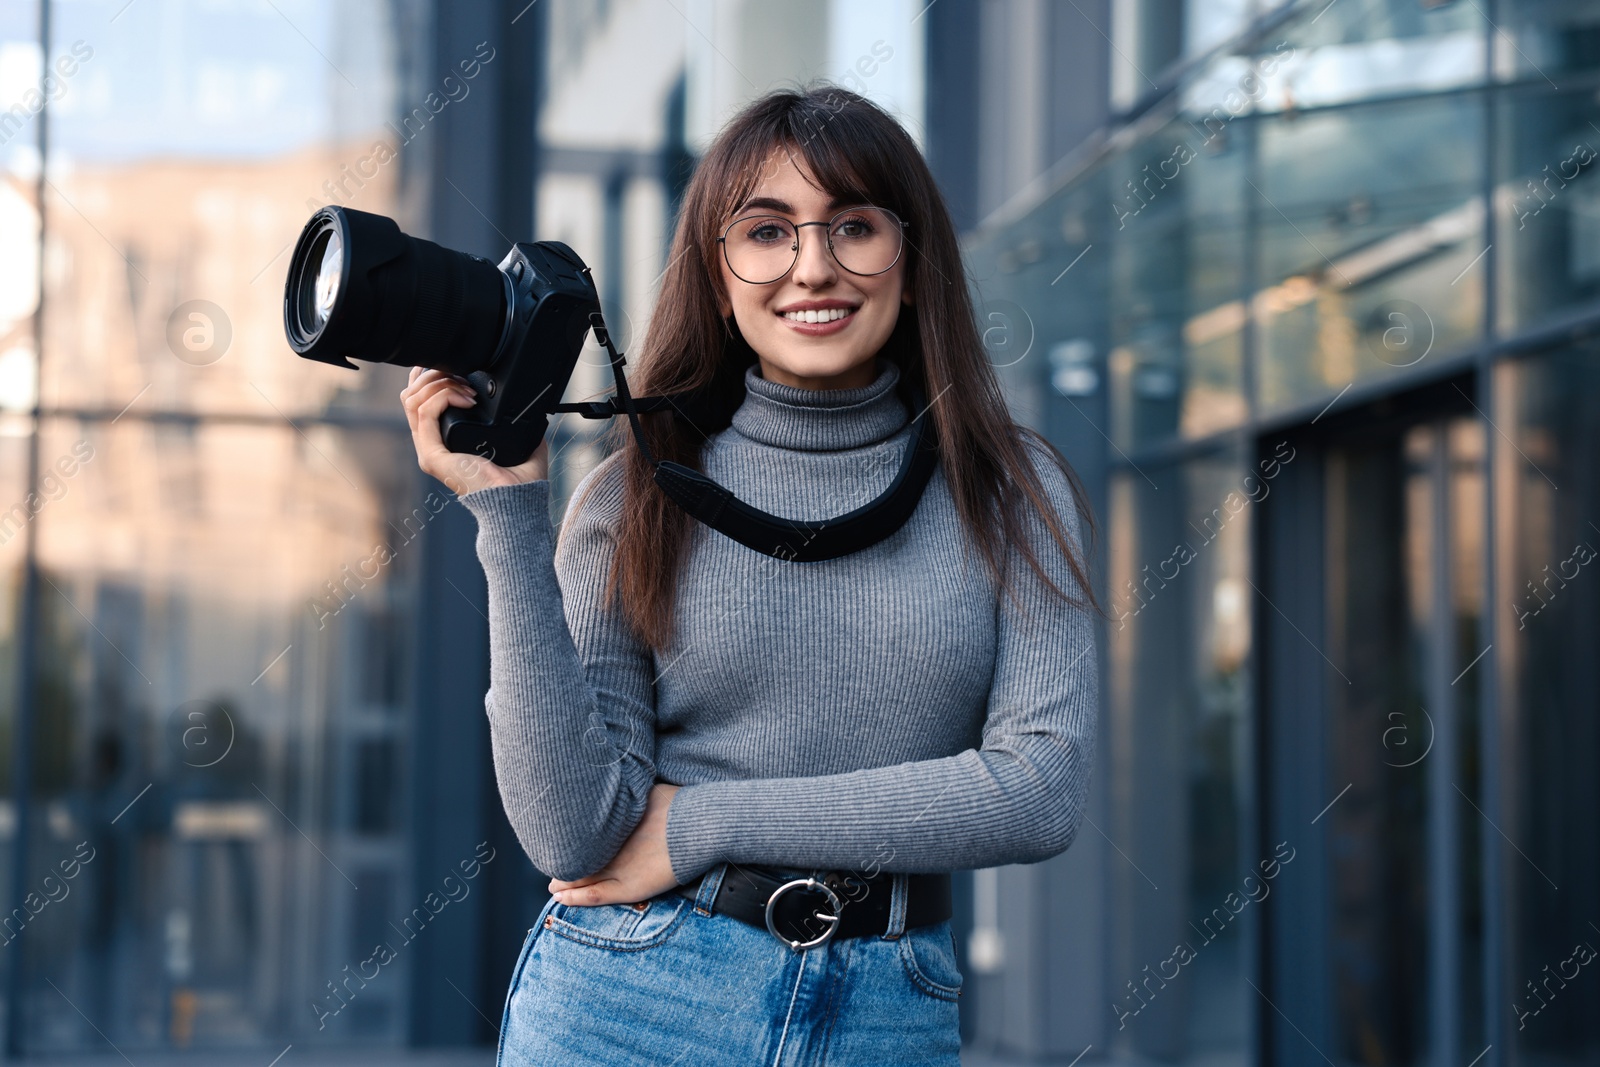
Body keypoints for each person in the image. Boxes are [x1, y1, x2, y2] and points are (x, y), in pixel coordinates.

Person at [401, 84, 1098, 1066]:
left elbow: (1037, 792)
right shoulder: (630, 496)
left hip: (887, 1012)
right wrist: (507, 510)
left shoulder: (1009, 490)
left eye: (853, 225)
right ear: (718, 271)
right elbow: (573, 833)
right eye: (766, 232)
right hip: (630, 1004)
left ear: (912, 254)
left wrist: (703, 820)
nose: (813, 266)